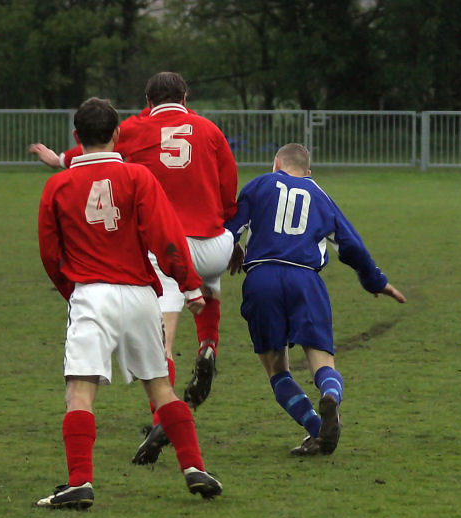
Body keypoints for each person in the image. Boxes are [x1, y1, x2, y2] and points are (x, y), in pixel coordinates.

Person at [30, 72, 238, 465]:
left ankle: (156, 424)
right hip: (213, 244)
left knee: (161, 349)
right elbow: (229, 190)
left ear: (147, 99)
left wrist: (59, 160)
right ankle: (209, 343)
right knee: (209, 272)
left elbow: (96, 150)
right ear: (186, 96)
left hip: (161, 255)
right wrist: (229, 231)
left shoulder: (137, 131)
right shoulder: (209, 129)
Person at [224, 143, 406, 455]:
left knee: (276, 369)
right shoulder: (320, 196)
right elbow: (352, 246)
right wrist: (376, 282)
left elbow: (229, 229)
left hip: (262, 278)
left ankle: (316, 429)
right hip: (305, 279)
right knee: (321, 359)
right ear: (308, 172)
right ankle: (330, 395)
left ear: (276, 164)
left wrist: (233, 247)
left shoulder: (259, 185)